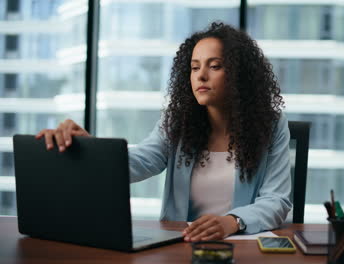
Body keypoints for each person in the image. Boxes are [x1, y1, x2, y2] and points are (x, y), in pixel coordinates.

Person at [36, 22, 292, 242]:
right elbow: (141, 161)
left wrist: (231, 222)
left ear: (239, 75)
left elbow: (276, 200)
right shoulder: (177, 121)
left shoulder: (271, 124)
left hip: (239, 243)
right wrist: (91, 149)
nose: (201, 75)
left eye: (214, 66)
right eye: (194, 67)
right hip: (181, 243)